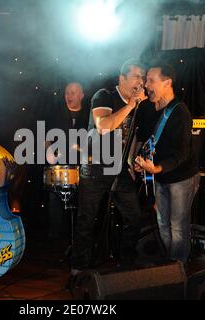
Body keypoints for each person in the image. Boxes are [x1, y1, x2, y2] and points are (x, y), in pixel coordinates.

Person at [70, 59, 147, 276]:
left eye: (142, 77)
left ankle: (127, 264)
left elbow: (132, 136)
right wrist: (131, 105)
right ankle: (79, 269)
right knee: (88, 218)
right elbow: (103, 126)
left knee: (134, 217)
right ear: (122, 79)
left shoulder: (138, 105)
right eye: (136, 76)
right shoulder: (104, 96)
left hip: (119, 169)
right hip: (94, 167)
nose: (140, 82)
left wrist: (131, 162)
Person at [134, 63, 199, 267]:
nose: (145, 85)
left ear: (167, 82)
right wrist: (141, 163)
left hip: (181, 177)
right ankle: (173, 265)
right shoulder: (148, 109)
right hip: (160, 177)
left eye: (151, 81)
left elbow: (181, 153)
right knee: (163, 224)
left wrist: (158, 168)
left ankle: (178, 269)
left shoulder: (180, 112)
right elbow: (145, 140)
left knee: (177, 225)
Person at [45, 82, 88, 257]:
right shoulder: (55, 114)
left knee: (82, 208)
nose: (69, 96)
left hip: (84, 168)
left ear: (81, 95)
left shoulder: (89, 115)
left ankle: (79, 247)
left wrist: (78, 148)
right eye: (67, 93)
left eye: (73, 92)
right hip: (58, 168)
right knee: (55, 206)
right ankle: (56, 248)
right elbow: (46, 138)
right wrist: (49, 154)